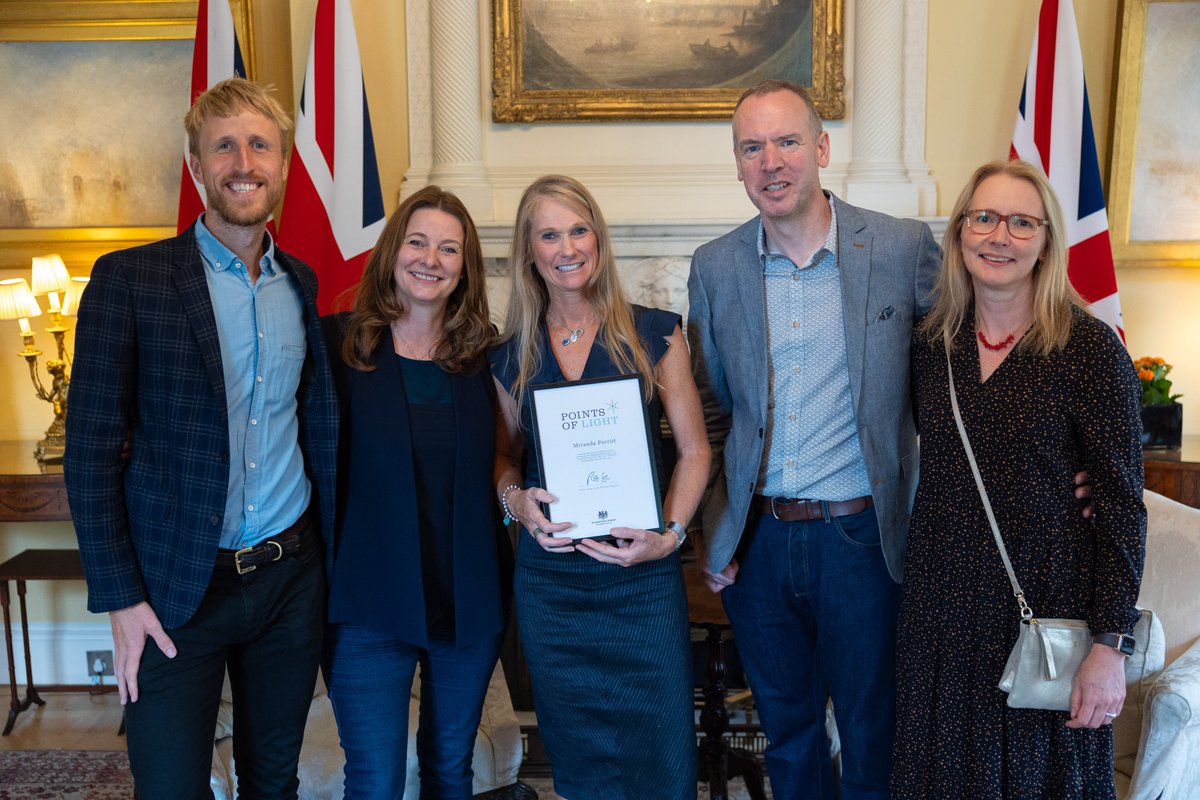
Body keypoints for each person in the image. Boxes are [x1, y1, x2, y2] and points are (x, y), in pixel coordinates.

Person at [63, 78, 337, 798]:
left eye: (260, 145)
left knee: (274, 781)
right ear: (196, 165)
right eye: (224, 146)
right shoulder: (130, 281)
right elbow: (88, 453)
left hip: (288, 578)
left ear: (283, 165)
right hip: (173, 588)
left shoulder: (302, 284)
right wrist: (120, 597)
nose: (243, 162)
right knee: (169, 786)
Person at [686, 79, 940, 800]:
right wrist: (714, 533)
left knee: (870, 735)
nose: (771, 162)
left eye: (787, 141)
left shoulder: (899, 248)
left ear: (822, 148)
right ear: (738, 164)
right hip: (759, 545)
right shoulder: (715, 266)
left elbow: (953, 384)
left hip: (861, 540)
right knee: (788, 737)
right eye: (752, 148)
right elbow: (709, 413)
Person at [892, 159, 1145, 799]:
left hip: (1043, 609)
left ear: (1046, 243)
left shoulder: (1090, 350)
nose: (999, 236)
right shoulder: (932, 345)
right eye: (983, 217)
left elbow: (1122, 508)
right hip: (941, 609)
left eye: (1022, 223)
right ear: (959, 232)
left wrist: (1110, 646)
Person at [491, 175, 711, 800]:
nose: (568, 248)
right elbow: (503, 459)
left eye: (579, 230)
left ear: (599, 239)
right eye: (549, 235)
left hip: (641, 578)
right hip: (553, 587)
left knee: (662, 757)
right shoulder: (510, 355)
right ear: (529, 251)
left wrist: (671, 536)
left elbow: (695, 451)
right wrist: (515, 506)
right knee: (581, 765)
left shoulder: (654, 334)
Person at [321, 186, 514, 798]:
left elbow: (511, 459)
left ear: (465, 266)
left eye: (448, 248)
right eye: (417, 242)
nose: (431, 259)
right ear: (392, 251)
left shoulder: (489, 358)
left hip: (467, 601)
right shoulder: (336, 346)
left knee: (450, 771)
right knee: (374, 781)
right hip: (367, 603)